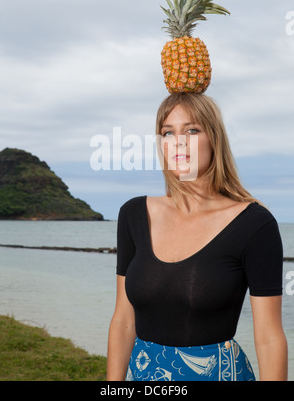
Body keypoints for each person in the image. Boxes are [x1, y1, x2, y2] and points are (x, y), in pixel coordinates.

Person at [107, 93, 288, 381]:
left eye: (192, 130)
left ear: (214, 138)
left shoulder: (255, 224)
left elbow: (268, 338)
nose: (179, 142)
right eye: (168, 132)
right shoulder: (134, 215)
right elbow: (124, 321)